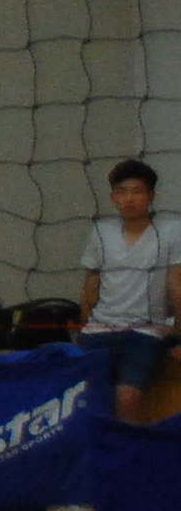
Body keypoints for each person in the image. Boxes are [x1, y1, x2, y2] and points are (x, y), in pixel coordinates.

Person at [75, 159, 178, 415]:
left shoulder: (171, 230)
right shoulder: (101, 232)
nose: (129, 199)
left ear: (151, 196)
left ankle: (124, 442)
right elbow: (90, 287)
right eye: (121, 192)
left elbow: (176, 286)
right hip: (99, 329)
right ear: (113, 197)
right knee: (84, 399)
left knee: (128, 399)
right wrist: (86, 326)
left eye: (137, 191)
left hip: (144, 332)